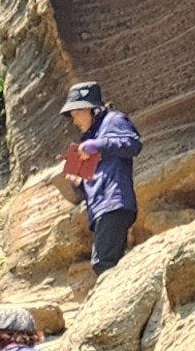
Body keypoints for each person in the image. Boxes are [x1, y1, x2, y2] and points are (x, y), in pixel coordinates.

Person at [59, 80, 142, 274]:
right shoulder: (89, 137)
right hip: (101, 208)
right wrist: (78, 183)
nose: (75, 120)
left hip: (114, 201)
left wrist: (99, 145)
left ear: (90, 109)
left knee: (104, 263)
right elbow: (92, 179)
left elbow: (133, 144)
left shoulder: (114, 120)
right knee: (106, 262)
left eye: (76, 113)